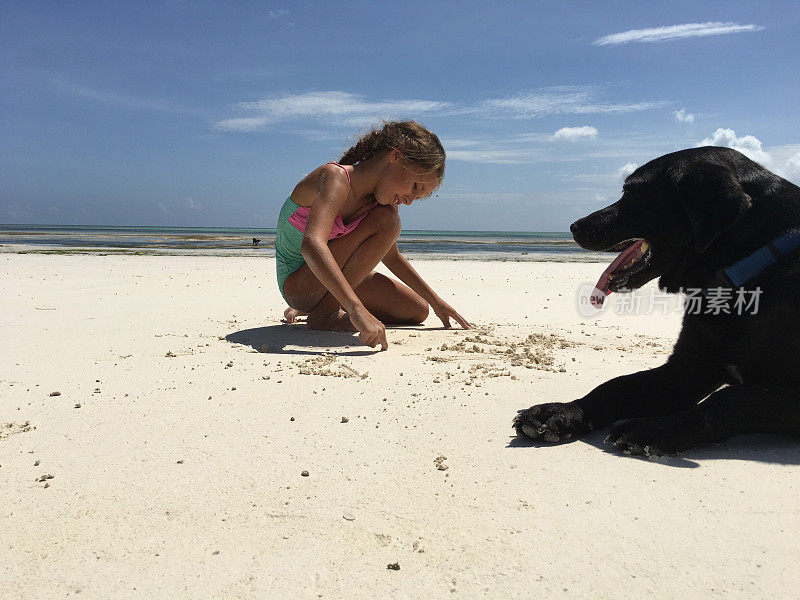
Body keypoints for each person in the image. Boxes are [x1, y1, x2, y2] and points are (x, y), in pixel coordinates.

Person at [275, 120, 471, 350]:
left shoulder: (381, 203)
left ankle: (325, 305)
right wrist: (357, 309)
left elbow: (391, 257)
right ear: (396, 157)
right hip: (299, 285)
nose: (409, 200)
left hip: (328, 279)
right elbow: (312, 244)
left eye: (418, 198)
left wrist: (436, 302)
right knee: (387, 221)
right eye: (415, 188)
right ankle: (323, 313)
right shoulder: (335, 178)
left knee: (417, 310)